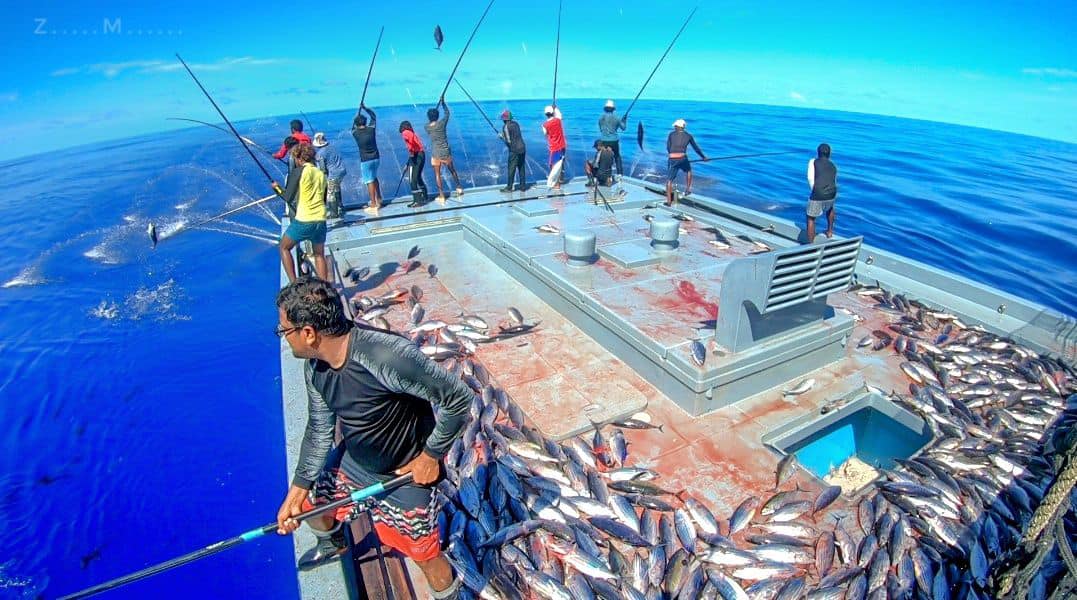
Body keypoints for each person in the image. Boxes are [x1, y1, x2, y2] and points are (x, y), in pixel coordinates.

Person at [274, 277, 471, 599]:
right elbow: (319, 427)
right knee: (310, 507)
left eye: (285, 331)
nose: (284, 338)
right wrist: (298, 489)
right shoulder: (315, 366)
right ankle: (333, 542)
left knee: (423, 554)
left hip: (405, 475)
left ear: (308, 333)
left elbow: (458, 398)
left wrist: (430, 456)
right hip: (356, 461)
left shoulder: (386, 356)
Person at [279, 144, 328, 283]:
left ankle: (294, 284)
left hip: (304, 220)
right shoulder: (321, 174)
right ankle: (325, 287)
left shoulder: (298, 171)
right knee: (319, 255)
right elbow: (323, 199)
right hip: (321, 219)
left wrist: (276, 188)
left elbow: (287, 197)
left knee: (284, 247)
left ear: (298, 158)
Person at [424, 100, 464, 204]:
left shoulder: (427, 127)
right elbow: (447, 113)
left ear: (429, 117)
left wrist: (432, 118)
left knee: (437, 174)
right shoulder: (441, 124)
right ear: (437, 116)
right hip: (445, 151)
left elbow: (429, 123)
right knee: (452, 170)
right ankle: (459, 187)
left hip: (435, 153)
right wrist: (443, 104)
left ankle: (441, 195)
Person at [665, 118, 706, 206]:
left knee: (669, 180)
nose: (674, 127)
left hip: (672, 158)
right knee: (688, 171)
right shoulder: (689, 136)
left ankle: (668, 201)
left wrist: (673, 156)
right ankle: (687, 190)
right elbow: (696, 149)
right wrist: (703, 157)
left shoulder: (671, 134)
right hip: (683, 158)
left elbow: (668, 148)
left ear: (678, 126)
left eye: (675, 126)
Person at [352, 105, 382, 215]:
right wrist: (365, 108)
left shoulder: (355, 133)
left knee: (369, 180)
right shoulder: (371, 129)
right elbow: (373, 116)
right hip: (376, 158)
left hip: (366, 160)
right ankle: (379, 198)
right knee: (374, 177)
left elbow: (352, 128)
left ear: (356, 124)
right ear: (365, 122)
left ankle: (373, 204)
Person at [806, 143, 839, 242]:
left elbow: (810, 178)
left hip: (818, 193)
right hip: (832, 193)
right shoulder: (833, 165)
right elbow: (833, 180)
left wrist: (815, 192)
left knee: (810, 218)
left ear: (818, 153)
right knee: (830, 209)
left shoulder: (813, 161)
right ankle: (829, 231)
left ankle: (810, 244)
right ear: (829, 154)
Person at [312, 133, 347, 220]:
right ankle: (340, 206)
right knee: (337, 188)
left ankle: (333, 213)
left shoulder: (320, 153)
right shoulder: (332, 147)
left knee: (330, 194)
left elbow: (322, 169)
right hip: (342, 171)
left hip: (333, 174)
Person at [399, 121, 429, 208]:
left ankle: (417, 201)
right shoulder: (412, 132)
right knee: (418, 177)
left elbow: (411, 143)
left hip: (416, 156)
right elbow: (415, 145)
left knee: (412, 179)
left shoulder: (405, 133)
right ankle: (424, 196)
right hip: (421, 154)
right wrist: (408, 163)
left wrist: (411, 150)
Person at [499, 110, 527, 192]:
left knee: (511, 169)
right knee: (521, 167)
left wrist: (502, 137)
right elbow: (515, 135)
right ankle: (523, 187)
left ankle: (509, 187)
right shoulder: (516, 124)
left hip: (514, 150)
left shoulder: (505, 127)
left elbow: (508, 141)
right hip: (522, 148)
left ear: (504, 119)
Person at [598, 99, 627, 179]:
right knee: (617, 156)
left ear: (605, 108)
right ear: (613, 109)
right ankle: (620, 174)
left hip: (604, 140)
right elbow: (623, 128)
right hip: (614, 140)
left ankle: (606, 175)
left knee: (605, 157)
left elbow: (601, 129)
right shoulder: (617, 118)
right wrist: (624, 121)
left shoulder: (601, 118)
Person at [542, 105, 567, 191]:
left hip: (554, 148)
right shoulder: (558, 120)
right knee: (561, 163)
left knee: (554, 166)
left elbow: (545, 134)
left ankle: (557, 184)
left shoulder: (545, 125)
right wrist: (555, 108)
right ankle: (561, 179)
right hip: (562, 145)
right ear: (552, 113)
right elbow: (560, 114)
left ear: (545, 114)